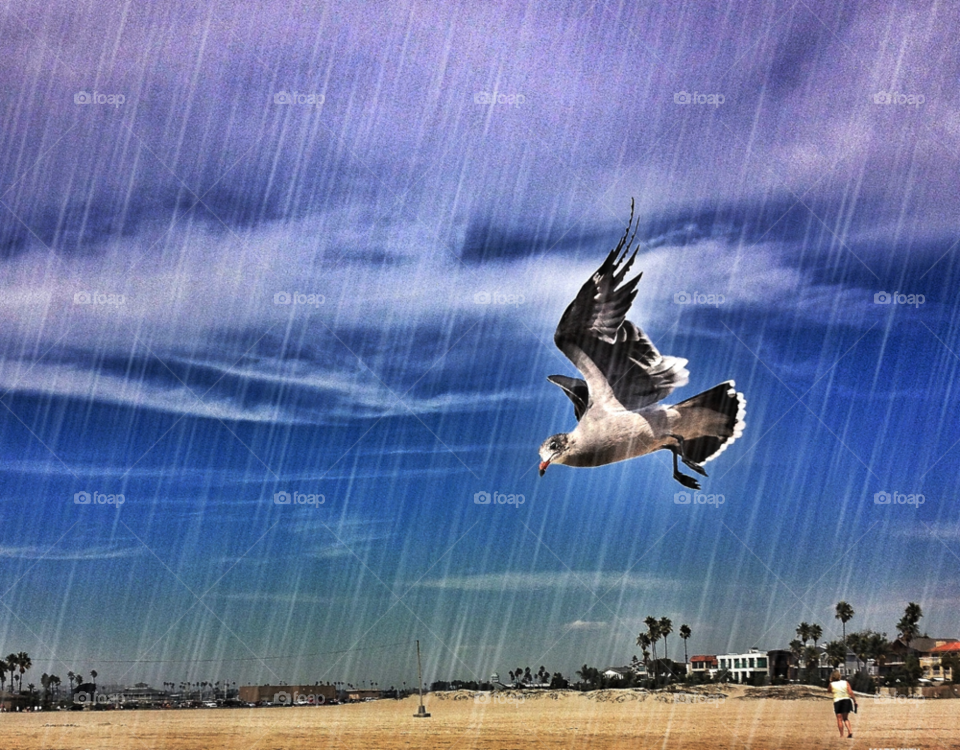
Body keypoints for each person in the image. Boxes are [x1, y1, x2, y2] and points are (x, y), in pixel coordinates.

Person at [829, 669, 857, 738]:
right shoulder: (845, 682)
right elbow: (850, 692)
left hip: (837, 701)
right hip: (846, 700)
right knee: (846, 718)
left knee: (839, 719)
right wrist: (854, 700)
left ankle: (841, 735)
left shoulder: (831, 684)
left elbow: (829, 691)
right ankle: (850, 731)